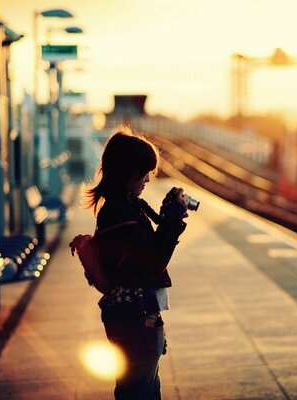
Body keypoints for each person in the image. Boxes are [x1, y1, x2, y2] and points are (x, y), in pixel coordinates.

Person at [82, 128, 189, 399]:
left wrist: (166, 218)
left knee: (142, 392)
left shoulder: (122, 207)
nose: (148, 180)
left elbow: (144, 254)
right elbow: (153, 261)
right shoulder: (119, 213)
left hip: (134, 319)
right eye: (145, 172)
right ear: (128, 172)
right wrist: (173, 220)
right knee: (139, 394)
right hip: (135, 323)